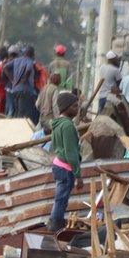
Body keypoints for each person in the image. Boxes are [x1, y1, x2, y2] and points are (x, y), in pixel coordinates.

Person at [48, 92, 83, 232]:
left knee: (60, 198)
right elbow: (71, 152)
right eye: (74, 106)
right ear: (65, 108)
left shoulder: (58, 123)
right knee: (61, 200)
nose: (77, 109)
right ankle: (55, 227)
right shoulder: (68, 125)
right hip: (65, 167)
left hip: (58, 164)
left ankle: (55, 223)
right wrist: (78, 175)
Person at [8, 47, 40, 119]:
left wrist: (12, 80)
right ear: (32, 54)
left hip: (15, 89)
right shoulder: (30, 61)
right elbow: (28, 69)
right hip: (25, 90)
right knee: (22, 112)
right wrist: (25, 79)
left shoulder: (16, 60)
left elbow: (5, 68)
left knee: (16, 111)